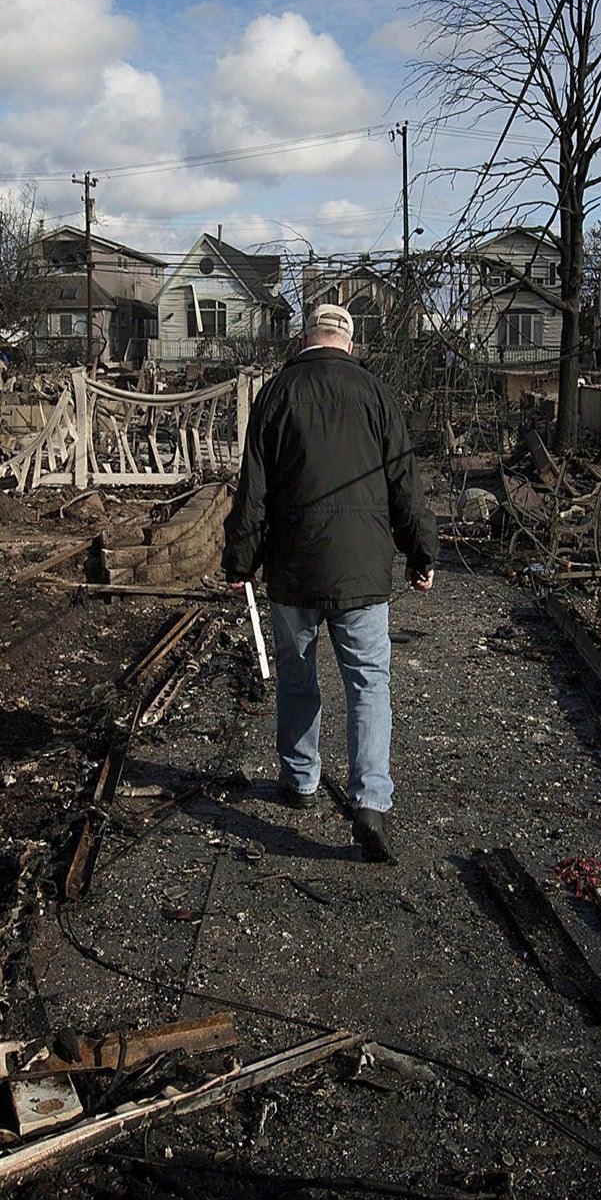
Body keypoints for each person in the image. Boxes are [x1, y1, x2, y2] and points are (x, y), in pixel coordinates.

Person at [223, 303, 438, 863]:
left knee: (297, 676)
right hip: (363, 571)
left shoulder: (275, 394)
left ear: (304, 339)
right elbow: (404, 484)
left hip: (292, 567)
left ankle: (299, 781)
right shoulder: (377, 395)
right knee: (368, 682)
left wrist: (239, 559)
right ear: (349, 343)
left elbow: (252, 489)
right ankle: (370, 802)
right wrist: (421, 552)